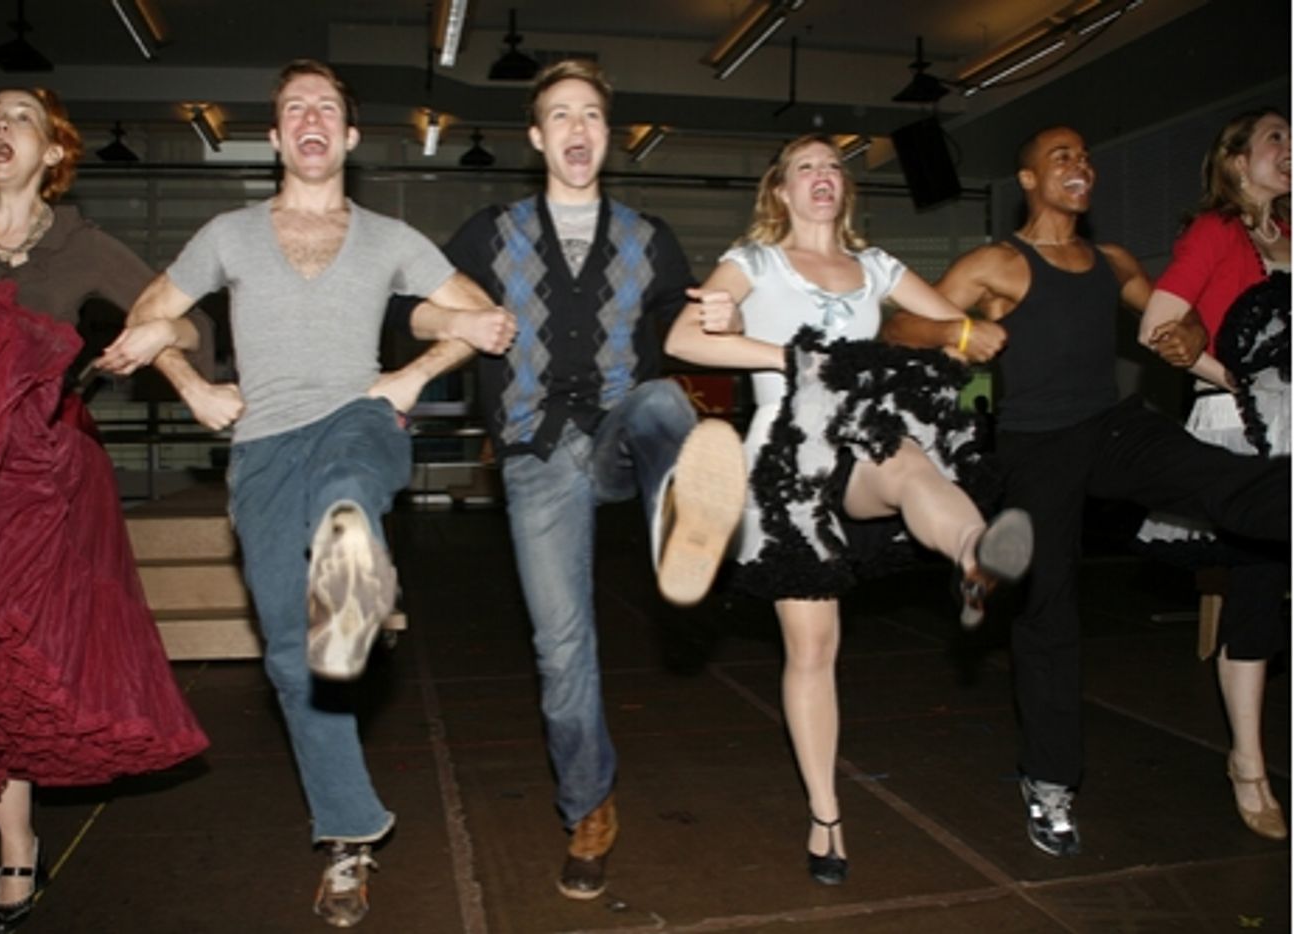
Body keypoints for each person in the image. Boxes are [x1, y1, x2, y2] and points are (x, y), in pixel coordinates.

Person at [105, 59, 515, 928]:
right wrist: (192, 385)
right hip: (261, 447)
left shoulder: (390, 238)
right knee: (294, 661)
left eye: (326, 106)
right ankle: (349, 833)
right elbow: (147, 313)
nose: (310, 118)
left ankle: (356, 566)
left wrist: (415, 373)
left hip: (354, 417)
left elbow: (480, 314)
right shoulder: (229, 233)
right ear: (277, 136)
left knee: (348, 485)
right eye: (295, 108)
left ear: (349, 136)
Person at [881, 124, 1291, 858]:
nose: (1082, 165)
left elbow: (1174, 319)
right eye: (1062, 156)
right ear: (1029, 180)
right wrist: (958, 334)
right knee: (1050, 609)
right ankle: (1049, 782)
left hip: (1111, 426)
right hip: (1035, 447)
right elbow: (899, 327)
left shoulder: (1112, 261)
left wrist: (1189, 337)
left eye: (1086, 156)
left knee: (1215, 473)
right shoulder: (997, 263)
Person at [392, 59, 746, 900]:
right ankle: (589, 806)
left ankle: (682, 519)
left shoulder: (649, 236)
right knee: (561, 648)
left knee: (664, 399)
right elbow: (408, 308)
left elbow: (685, 330)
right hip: (536, 455)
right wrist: (460, 317)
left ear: (607, 135)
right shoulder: (491, 232)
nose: (577, 128)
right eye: (560, 115)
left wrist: (725, 314)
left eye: (591, 114)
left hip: (622, 433)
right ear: (537, 137)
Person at [664, 133, 1032, 886]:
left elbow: (944, 330)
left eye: (834, 165)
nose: (823, 174)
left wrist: (967, 331)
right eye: (806, 166)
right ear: (782, 190)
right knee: (813, 649)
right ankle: (825, 813)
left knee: (908, 460)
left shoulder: (878, 268)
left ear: (845, 188)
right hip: (788, 457)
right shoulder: (755, 262)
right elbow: (684, 339)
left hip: (863, 437)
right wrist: (790, 357)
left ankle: (975, 554)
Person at [0, 87, 210, 933]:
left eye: (22, 119)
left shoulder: (83, 246)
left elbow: (191, 327)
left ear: (55, 154)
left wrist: (160, 338)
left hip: (44, 467)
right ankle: (17, 843)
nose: (1, 127)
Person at [1135, 108, 1290, 840]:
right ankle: (1248, 764)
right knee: (1259, 590)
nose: (1291, 150)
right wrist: (1239, 381)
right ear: (1235, 160)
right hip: (1245, 429)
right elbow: (1156, 326)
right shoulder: (1216, 231)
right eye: (1276, 138)